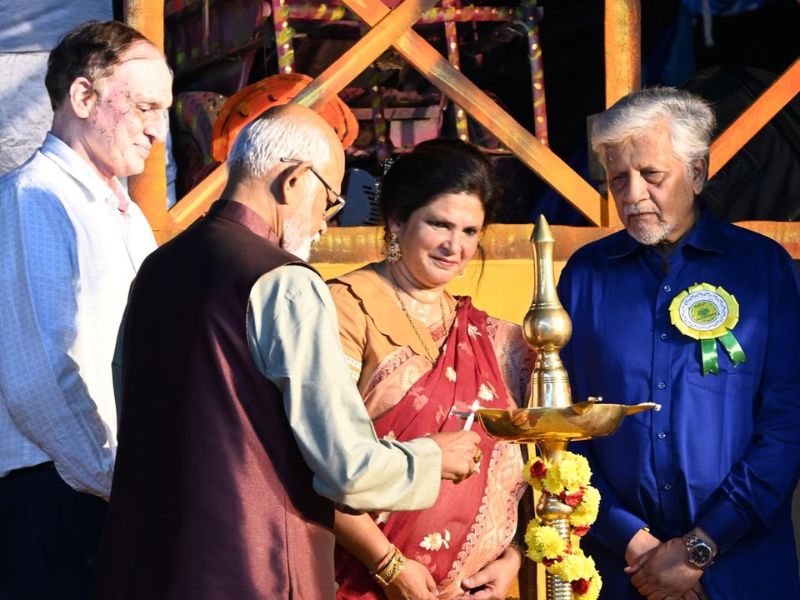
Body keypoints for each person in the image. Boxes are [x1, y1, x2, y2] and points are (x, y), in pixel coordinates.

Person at [94, 105, 482, 599]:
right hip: (256, 569)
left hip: (147, 567)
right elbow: (345, 466)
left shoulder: (157, 269)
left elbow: (131, 415)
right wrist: (432, 457)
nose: (325, 223)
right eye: (330, 199)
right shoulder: (283, 281)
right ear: (295, 181)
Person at [557, 87, 800, 599]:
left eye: (651, 175)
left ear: (697, 171)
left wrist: (699, 548)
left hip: (741, 566)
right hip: (621, 571)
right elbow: (565, 426)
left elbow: (786, 424)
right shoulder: (585, 276)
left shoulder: (762, 268)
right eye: (618, 178)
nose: (632, 195)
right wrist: (636, 544)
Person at [0, 20, 171, 598]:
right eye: (145, 106)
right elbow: (39, 377)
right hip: (53, 494)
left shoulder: (122, 210)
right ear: (82, 96)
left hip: (97, 486)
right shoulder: (36, 197)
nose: (158, 129)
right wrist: (118, 480)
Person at [328, 139, 532, 600]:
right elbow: (316, 458)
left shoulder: (497, 339)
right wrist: (389, 566)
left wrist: (512, 558)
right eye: (439, 224)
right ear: (398, 221)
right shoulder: (346, 307)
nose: (454, 246)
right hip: (361, 582)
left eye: (469, 231)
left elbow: (525, 474)